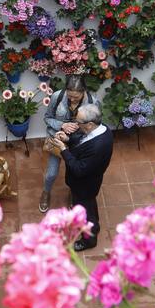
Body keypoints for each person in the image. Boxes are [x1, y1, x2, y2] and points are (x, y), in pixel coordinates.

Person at [58, 103, 112, 251]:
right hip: (87, 184)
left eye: (78, 122)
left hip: (85, 185)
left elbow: (79, 169)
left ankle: (89, 240)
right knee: (88, 205)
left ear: (89, 124)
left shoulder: (98, 146)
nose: (76, 124)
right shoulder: (102, 129)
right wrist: (69, 141)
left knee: (87, 212)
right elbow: (83, 144)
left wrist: (63, 149)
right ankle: (93, 222)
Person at [40, 76, 92, 213]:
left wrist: (78, 128)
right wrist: (62, 125)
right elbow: (47, 118)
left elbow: (93, 127)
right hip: (57, 140)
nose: (72, 99)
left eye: (76, 97)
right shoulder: (57, 97)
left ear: (84, 91)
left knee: (76, 173)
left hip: (79, 142)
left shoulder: (92, 103)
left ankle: (73, 193)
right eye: (70, 96)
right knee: (51, 173)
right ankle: (46, 192)